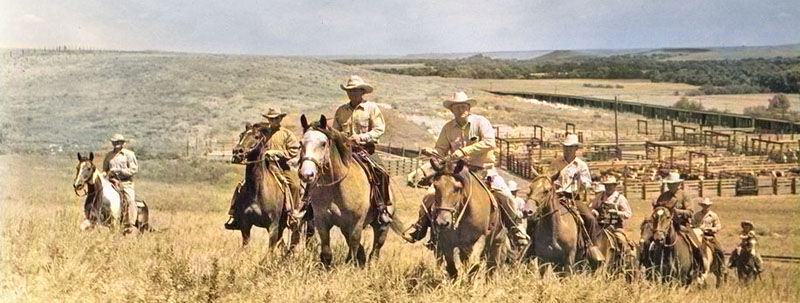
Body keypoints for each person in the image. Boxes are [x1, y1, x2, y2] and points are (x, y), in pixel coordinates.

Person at [402, 91, 530, 247]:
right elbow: (440, 151)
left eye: (463, 106)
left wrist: (464, 151)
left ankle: (515, 229)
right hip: (456, 172)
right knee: (429, 196)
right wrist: (427, 161)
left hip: (484, 170)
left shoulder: (481, 122)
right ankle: (421, 227)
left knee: (506, 195)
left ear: (469, 108)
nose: (460, 110)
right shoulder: (448, 128)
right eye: (456, 107)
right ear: (451, 110)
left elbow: (490, 143)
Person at [225, 108, 301, 230]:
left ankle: (293, 213)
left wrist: (276, 153)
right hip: (262, 166)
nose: (273, 120)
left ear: (280, 119)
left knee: (295, 185)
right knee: (241, 187)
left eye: (276, 118)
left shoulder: (286, 134)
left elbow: (293, 150)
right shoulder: (262, 132)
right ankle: (235, 214)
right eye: (271, 118)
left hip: (281, 166)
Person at [332, 75, 393, 224]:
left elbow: (379, 129)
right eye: (350, 91)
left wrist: (362, 137)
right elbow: (335, 131)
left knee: (382, 172)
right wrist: (341, 139)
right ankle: (312, 206)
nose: (352, 93)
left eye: (356, 91)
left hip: (365, 151)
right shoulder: (341, 110)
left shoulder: (371, 108)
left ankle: (381, 206)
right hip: (345, 152)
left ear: (362, 92)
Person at [550, 133, 600, 248]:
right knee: (536, 216)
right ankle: (530, 246)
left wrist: (581, 181)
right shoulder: (556, 163)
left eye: (570, 147)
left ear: (576, 148)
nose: (567, 150)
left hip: (573, 197)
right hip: (556, 197)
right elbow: (549, 178)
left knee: (590, 218)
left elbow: (587, 184)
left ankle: (592, 247)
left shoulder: (581, 165)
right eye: (565, 147)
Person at [102, 134, 139, 234]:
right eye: (114, 142)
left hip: (125, 183)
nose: (116, 144)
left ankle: (130, 224)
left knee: (130, 200)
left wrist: (119, 171)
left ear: (122, 143)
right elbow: (105, 169)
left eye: (118, 142)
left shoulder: (129, 154)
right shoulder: (109, 155)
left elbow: (134, 169)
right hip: (111, 181)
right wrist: (103, 174)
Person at [692, 197, 725, 274]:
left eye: (707, 205)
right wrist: (697, 228)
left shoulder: (713, 215)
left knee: (719, 249)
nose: (705, 207)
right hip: (698, 236)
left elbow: (718, 226)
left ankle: (722, 266)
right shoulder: (697, 215)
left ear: (709, 206)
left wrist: (711, 229)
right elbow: (692, 225)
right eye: (704, 205)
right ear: (702, 206)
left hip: (709, 236)